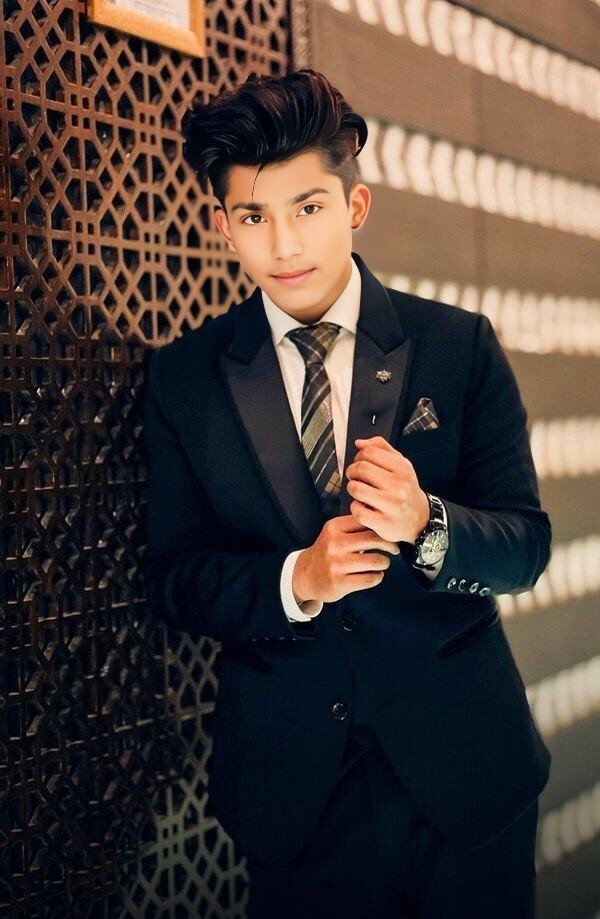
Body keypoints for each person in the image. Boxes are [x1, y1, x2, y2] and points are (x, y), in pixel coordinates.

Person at [142, 69, 552, 919]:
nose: (284, 244)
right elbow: (176, 579)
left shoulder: (458, 346)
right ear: (223, 226)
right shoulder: (184, 379)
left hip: (467, 779)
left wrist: (428, 523)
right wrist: (297, 579)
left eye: (308, 207)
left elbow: (526, 548)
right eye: (254, 217)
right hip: (295, 794)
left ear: (354, 205)